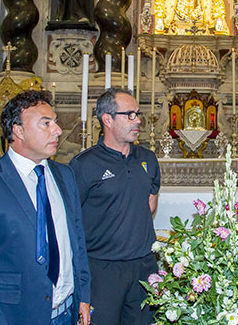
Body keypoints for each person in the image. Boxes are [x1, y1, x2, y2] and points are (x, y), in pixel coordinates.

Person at [0, 90, 91, 324]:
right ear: (18, 131)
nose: (58, 130)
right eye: (45, 123)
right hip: (16, 315)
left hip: (67, 310)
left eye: (55, 122)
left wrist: (83, 295)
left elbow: (76, 240)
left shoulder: (64, 175)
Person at [69, 88, 161, 325]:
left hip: (143, 267)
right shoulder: (84, 165)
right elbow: (70, 221)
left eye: (137, 113)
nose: (137, 120)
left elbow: (150, 206)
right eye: (129, 114)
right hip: (102, 270)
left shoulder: (148, 159)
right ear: (107, 119)